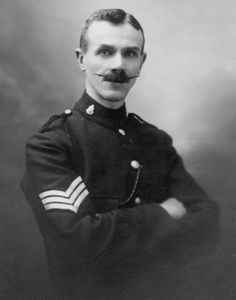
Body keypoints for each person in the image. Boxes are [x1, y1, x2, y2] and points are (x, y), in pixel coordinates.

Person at [21, 8, 219, 300]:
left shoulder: (155, 141)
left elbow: (207, 222)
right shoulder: (52, 144)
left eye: (130, 53)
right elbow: (81, 244)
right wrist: (162, 214)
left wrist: (120, 239)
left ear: (142, 60)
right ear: (81, 59)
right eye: (105, 52)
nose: (118, 65)